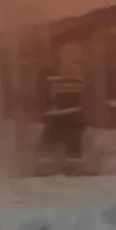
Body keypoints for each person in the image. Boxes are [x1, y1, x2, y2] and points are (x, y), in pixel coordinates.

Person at [37, 41, 87, 176]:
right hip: (60, 115)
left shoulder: (75, 71)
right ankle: (49, 167)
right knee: (51, 140)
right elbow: (45, 92)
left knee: (69, 142)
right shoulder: (51, 72)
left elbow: (77, 92)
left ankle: (72, 167)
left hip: (68, 115)